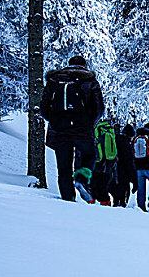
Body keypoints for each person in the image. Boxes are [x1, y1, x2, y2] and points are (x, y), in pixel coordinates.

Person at [41, 55, 104, 202]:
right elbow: (99, 108)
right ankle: (81, 178)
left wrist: (55, 122)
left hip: (60, 131)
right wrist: (90, 124)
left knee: (63, 168)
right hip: (82, 129)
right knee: (90, 155)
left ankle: (68, 199)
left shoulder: (54, 80)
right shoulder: (89, 80)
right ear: (84, 66)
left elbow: (44, 108)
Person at [110, 124, 138, 207]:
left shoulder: (114, 141)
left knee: (115, 193)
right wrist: (134, 179)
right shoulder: (126, 145)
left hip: (112, 171)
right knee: (123, 194)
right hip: (123, 174)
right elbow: (129, 163)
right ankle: (122, 208)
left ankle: (115, 204)